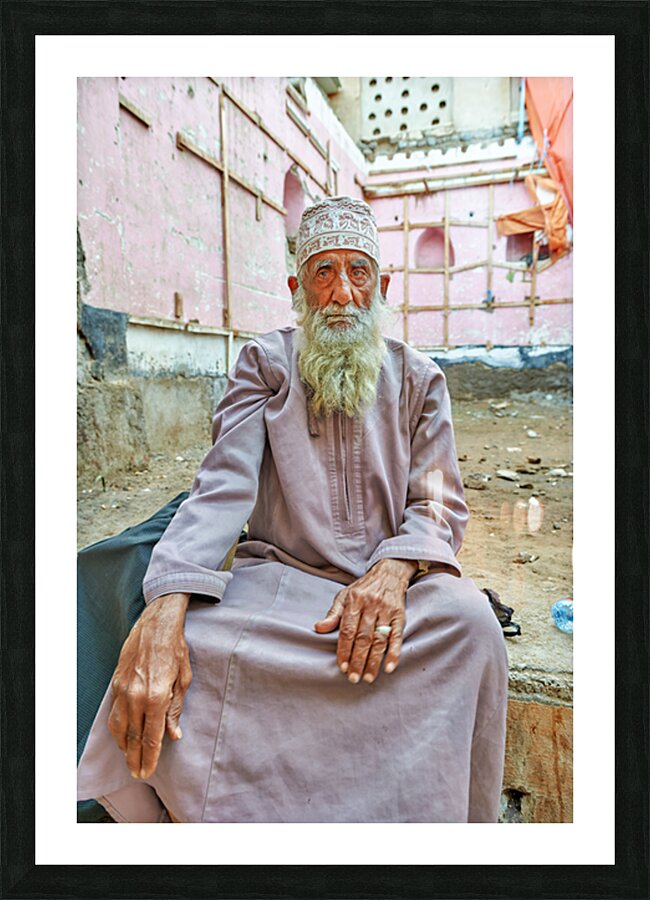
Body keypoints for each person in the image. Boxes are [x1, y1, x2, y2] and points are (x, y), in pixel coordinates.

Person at [77, 195, 508, 823]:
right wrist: (166, 604)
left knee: (471, 626)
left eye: (357, 272)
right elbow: (222, 487)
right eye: (323, 273)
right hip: (278, 588)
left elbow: (438, 502)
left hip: (388, 594)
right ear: (297, 288)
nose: (340, 293)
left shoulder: (420, 379)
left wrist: (392, 573)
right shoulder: (265, 363)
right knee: (188, 646)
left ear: (381, 286)